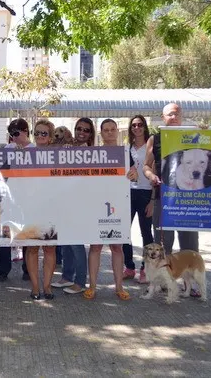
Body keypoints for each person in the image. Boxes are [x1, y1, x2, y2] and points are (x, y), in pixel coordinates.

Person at [143, 103, 200, 296]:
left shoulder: (194, 135)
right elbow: (146, 166)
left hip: (189, 202)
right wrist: (151, 176)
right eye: (169, 115)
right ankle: (162, 282)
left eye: (176, 114)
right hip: (163, 198)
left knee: (190, 245)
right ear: (163, 117)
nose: (173, 117)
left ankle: (191, 285)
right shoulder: (155, 139)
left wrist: (208, 131)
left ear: (181, 116)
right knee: (162, 244)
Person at [83, 119, 130, 301]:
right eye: (106, 130)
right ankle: (92, 286)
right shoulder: (93, 153)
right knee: (95, 246)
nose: (109, 133)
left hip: (118, 204)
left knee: (117, 247)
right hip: (97, 204)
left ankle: (119, 287)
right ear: (101, 133)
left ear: (117, 131)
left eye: (112, 129)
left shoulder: (126, 153)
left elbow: (132, 174)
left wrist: (133, 173)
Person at [51, 118, 92, 295]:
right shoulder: (65, 148)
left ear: (91, 134)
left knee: (76, 243)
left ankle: (81, 281)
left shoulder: (91, 153)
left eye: (86, 130)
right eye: (78, 128)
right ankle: (67, 276)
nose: (81, 132)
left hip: (79, 203)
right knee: (66, 241)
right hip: (63, 200)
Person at [25, 119, 57, 300]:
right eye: (36, 133)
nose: (39, 136)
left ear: (50, 137)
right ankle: (35, 287)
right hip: (31, 207)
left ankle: (47, 286)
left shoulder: (57, 156)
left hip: (51, 207)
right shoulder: (25, 155)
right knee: (32, 249)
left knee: (50, 249)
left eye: (44, 133)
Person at [0, 119, 34, 283]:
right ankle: (3, 269)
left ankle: (27, 268)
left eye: (16, 133)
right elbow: (1, 170)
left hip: (28, 196)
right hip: (9, 195)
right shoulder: (7, 149)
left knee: (27, 233)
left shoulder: (34, 149)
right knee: (5, 233)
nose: (14, 137)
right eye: (11, 133)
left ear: (25, 131)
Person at [123, 115, 153, 284]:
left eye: (140, 124)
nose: (137, 128)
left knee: (146, 233)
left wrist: (153, 200)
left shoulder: (151, 145)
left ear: (144, 127)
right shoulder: (127, 148)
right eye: (133, 125)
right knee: (124, 232)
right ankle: (129, 267)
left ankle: (145, 269)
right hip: (129, 192)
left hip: (146, 192)